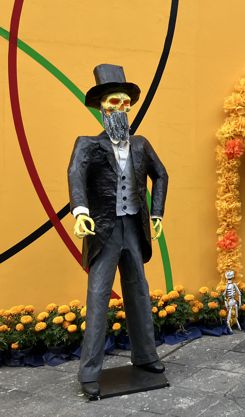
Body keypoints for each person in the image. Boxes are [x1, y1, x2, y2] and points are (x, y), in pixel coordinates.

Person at [67, 64, 168, 398]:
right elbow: (75, 174)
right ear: (102, 107)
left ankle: (146, 355)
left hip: (134, 228)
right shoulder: (87, 145)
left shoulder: (140, 144)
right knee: (98, 296)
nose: (121, 108)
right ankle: (89, 371)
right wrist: (80, 211)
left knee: (138, 291)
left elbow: (161, 174)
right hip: (104, 231)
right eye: (115, 102)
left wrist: (157, 213)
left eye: (126, 103)